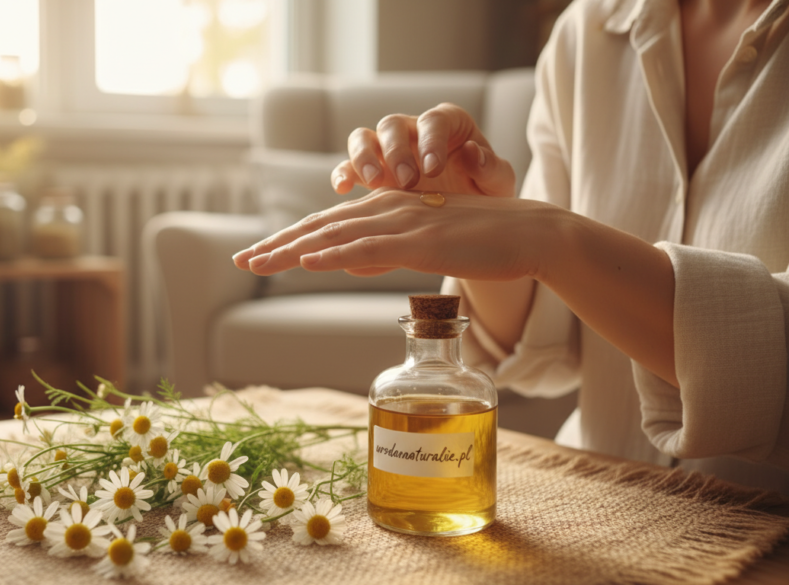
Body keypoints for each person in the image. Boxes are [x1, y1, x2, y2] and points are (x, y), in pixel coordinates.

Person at [233, 0, 789, 494]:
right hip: (600, 500)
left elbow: (554, 249)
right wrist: (474, 216)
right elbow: (547, 339)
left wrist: (548, 237)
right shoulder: (585, 31)